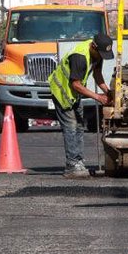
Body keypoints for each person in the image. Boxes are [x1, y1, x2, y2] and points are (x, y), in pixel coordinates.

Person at [48, 32, 113, 179]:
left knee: (79, 126)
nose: (101, 57)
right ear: (93, 47)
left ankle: (78, 161)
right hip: (62, 92)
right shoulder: (80, 56)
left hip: (74, 94)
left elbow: (97, 75)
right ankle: (72, 166)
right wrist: (98, 97)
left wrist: (108, 92)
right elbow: (76, 84)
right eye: (100, 54)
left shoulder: (97, 54)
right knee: (71, 127)